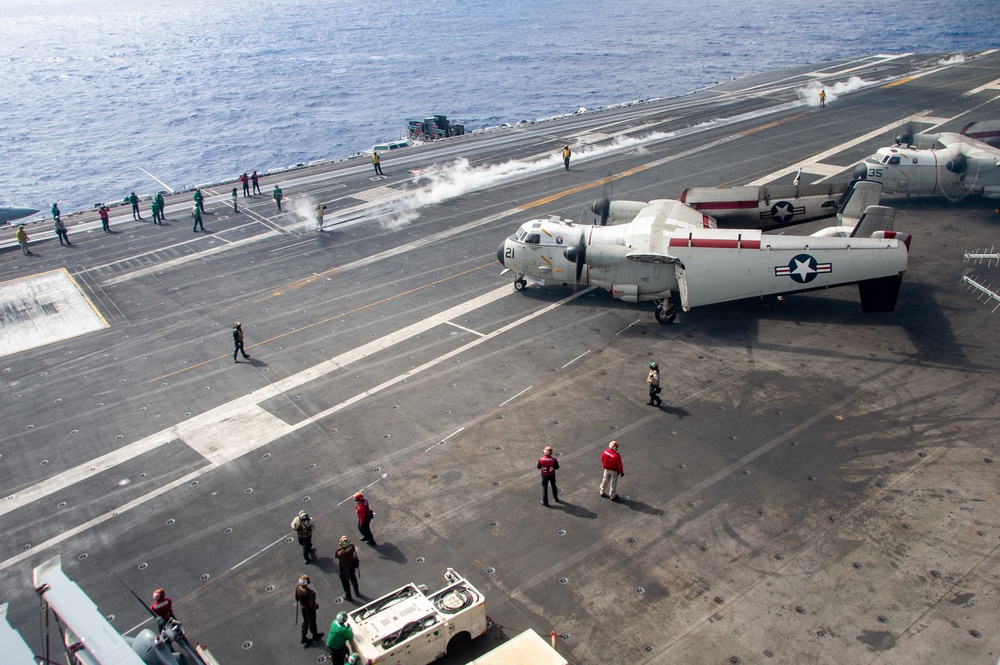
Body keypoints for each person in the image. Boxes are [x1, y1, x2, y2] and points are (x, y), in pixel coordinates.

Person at [294, 575, 323, 647]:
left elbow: (297, 598)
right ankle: (315, 635)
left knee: (305, 622)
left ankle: (303, 637)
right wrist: (316, 606)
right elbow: (311, 604)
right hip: (309, 610)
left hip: (303, 608)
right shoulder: (310, 592)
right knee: (312, 622)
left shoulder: (298, 588)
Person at [335, 535, 361, 601]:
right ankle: (356, 591)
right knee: (353, 578)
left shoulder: (341, 552)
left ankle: (348, 595)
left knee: (345, 581)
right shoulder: (351, 546)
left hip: (344, 567)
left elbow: (336, 555)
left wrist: (340, 548)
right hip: (351, 564)